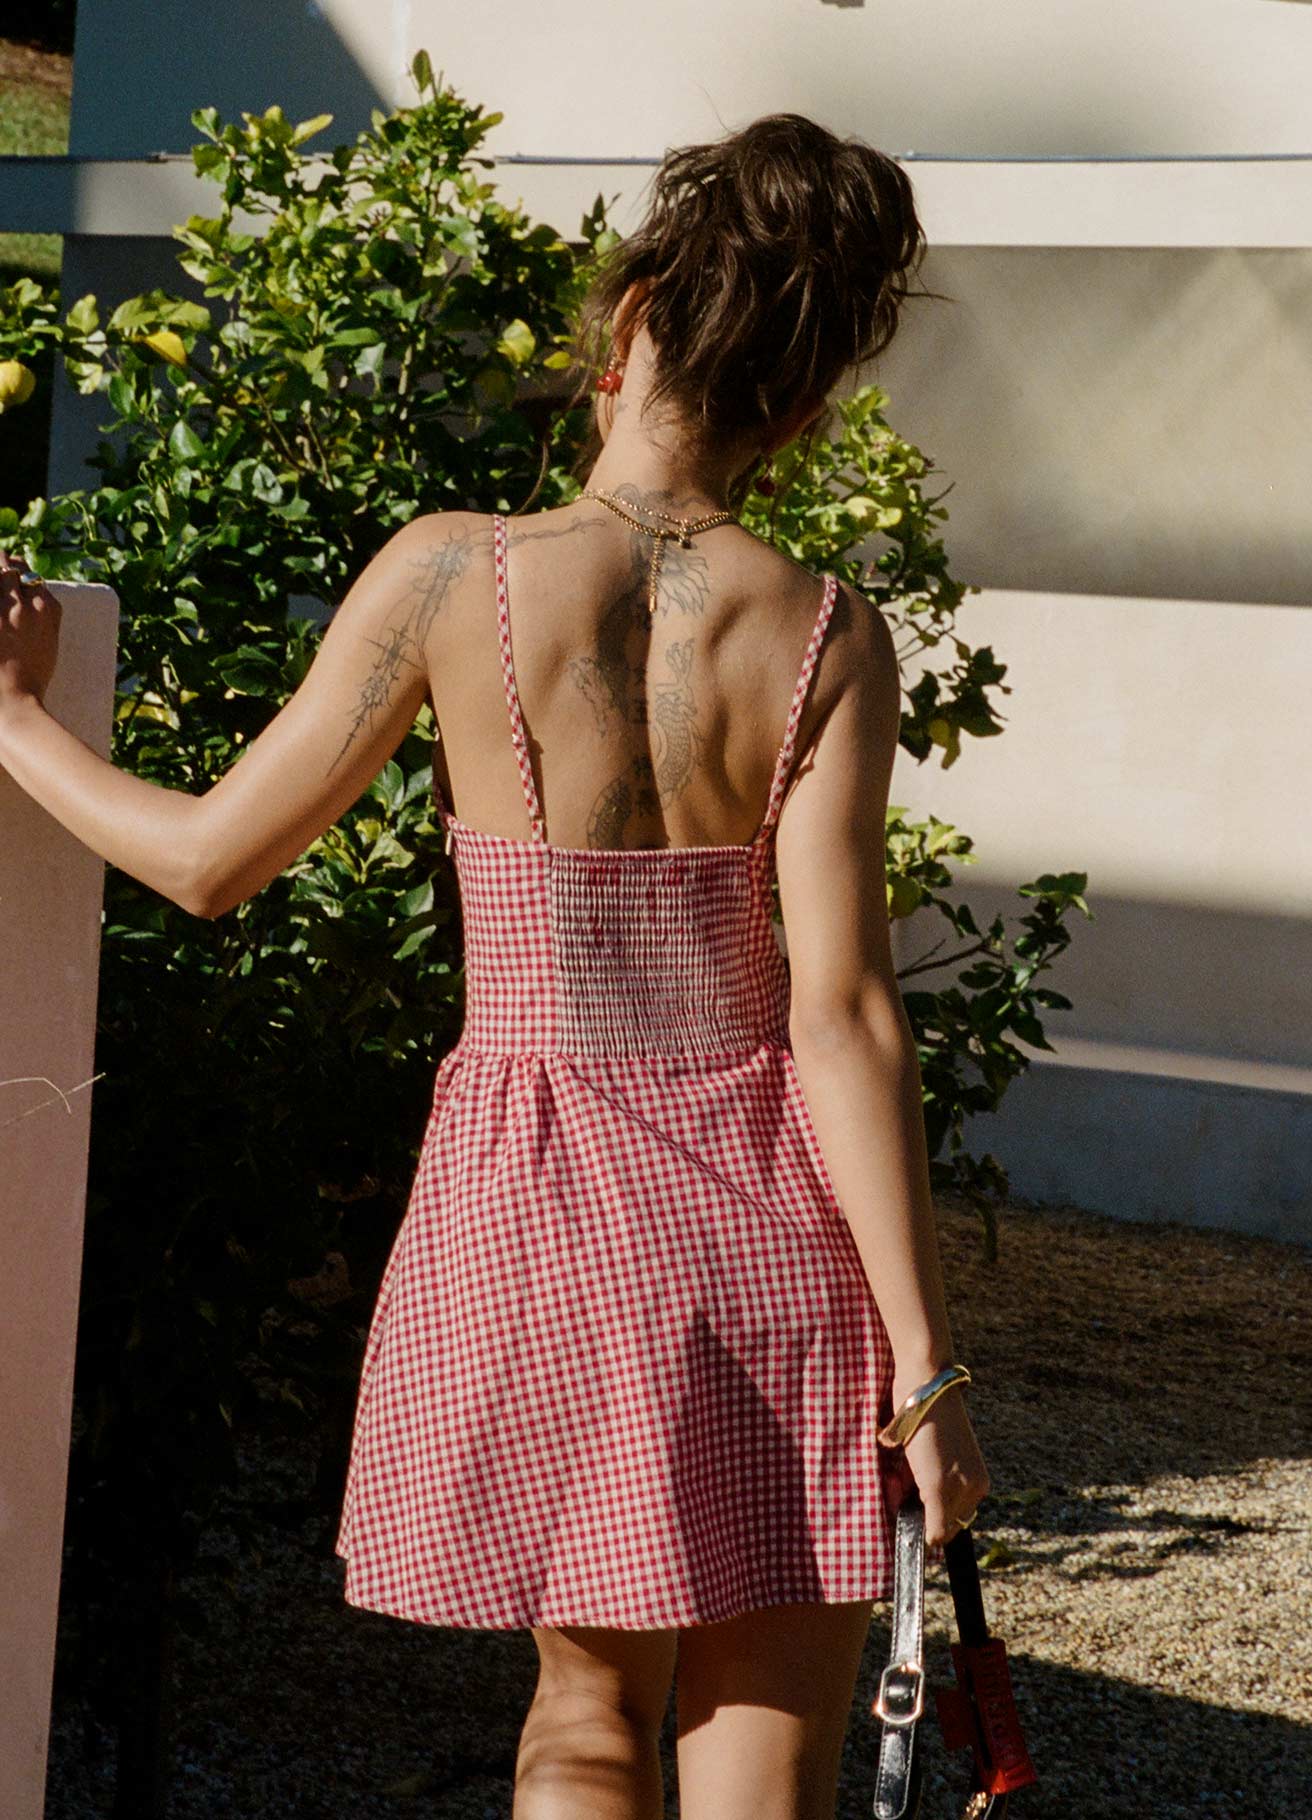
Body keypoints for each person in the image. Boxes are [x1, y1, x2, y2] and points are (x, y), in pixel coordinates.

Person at [0, 111, 989, 1820]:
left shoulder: (455, 573)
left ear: (631, 320)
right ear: (803, 409)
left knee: (586, 1722)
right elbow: (841, 1016)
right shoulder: (829, 633)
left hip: (549, 1208)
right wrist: (925, 1373)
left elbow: (210, 861)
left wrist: (16, 719)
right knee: (771, 1776)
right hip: (778, 1235)